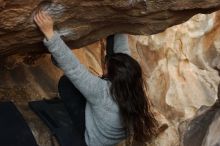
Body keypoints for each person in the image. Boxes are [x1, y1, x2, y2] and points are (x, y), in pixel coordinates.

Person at [34, 10, 158, 146]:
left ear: (111, 77)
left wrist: (50, 34)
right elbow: (122, 52)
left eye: (105, 67)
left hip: (91, 140)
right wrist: (119, 18)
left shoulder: (102, 93)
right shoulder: (133, 84)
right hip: (108, 130)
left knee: (67, 83)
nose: (103, 67)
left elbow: (74, 69)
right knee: (114, 55)